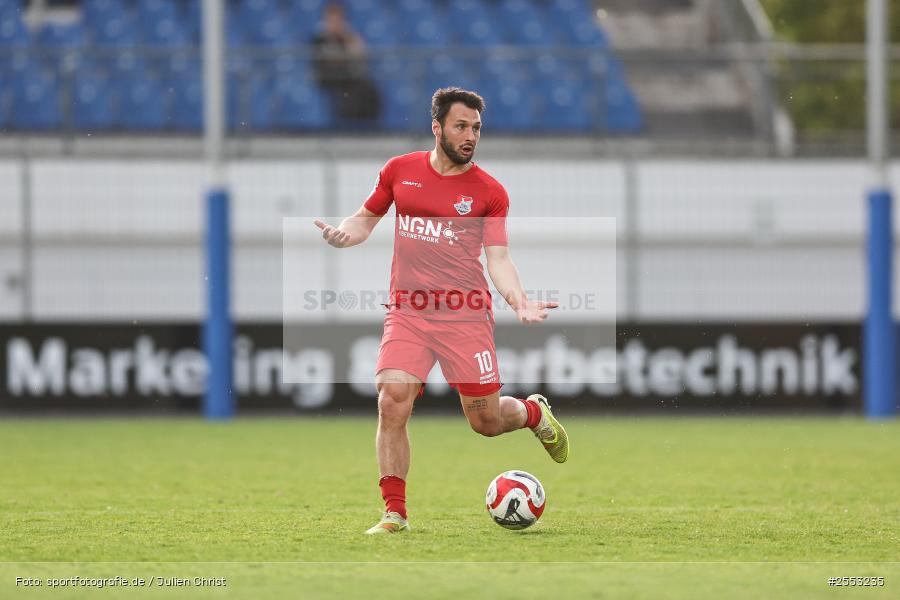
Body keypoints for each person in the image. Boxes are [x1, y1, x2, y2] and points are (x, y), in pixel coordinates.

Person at [313, 87, 569, 535]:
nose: (470, 136)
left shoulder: (489, 192)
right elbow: (364, 219)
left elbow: (499, 258)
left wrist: (519, 301)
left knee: (485, 423)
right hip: (408, 311)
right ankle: (395, 514)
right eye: (461, 126)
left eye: (476, 128)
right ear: (437, 127)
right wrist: (344, 234)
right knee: (391, 402)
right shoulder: (400, 171)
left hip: (464, 315)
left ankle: (532, 413)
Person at [310, 2, 380, 121]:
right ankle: (347, 126)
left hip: (347, 77)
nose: (334, 23)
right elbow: (323, 61)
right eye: (331, 19)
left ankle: (366, 126)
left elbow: (360, 53)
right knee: (349, 92)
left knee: (367, 88)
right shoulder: (319, 38)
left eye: (338, 19)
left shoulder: (346, 37)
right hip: (327, 77)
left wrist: (347, 36)